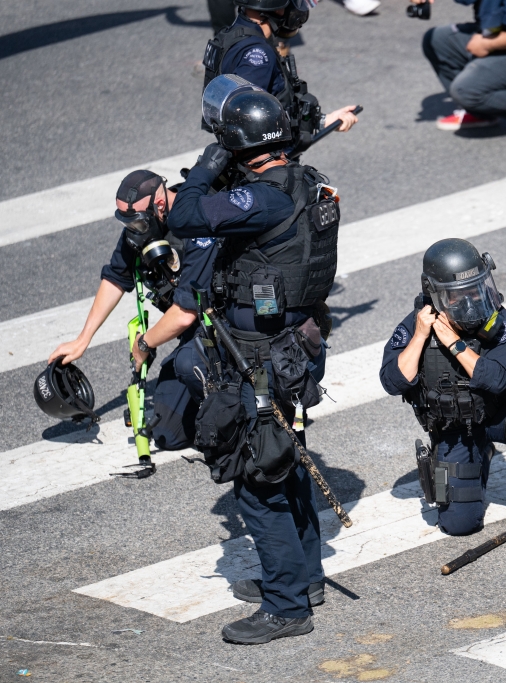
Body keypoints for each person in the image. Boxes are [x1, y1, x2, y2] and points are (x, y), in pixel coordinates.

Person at [169, 85, 336, 644]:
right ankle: (304, 580)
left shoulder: (264, 198)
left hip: (259, 359)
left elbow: (186, 216)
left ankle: (286, 607)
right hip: (293, 350)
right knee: (288, 463)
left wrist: (205, 167)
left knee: (259, 480)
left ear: (237, 146)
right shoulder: (305, 182)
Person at [379, 238, 506, 556]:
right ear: (435, 293)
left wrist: (454, 344)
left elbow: (496, 380)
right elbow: (392, 381)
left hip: (500, 410)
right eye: (458, 295)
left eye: (476, 289)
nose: (470, 301)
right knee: (459, 524)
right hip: (454, 425)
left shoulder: (499, 320)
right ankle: (479, 453)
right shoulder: (414, 325)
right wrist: (421, 336)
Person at [48, 170, 216, 451]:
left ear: (159, 205)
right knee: (168, 433)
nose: (132, 230)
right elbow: (116, 277)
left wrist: (144, 343)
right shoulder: (143, 226)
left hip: (225, 325)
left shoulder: (197, 220)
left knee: (216, 415)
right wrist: (82, 340)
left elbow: (185, 313)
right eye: (126, 223)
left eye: (136, 222)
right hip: (194, 328)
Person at [202, 0, 359, 143]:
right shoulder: (258, 55)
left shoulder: (233, 35)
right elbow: (247, 123)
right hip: (266, 159)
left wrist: (324, 121)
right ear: (276, 6)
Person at [418, 0, 506, 140]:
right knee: (436, 39)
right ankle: (480, 112)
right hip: (495, 32)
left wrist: (486, 44)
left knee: (464, 90)